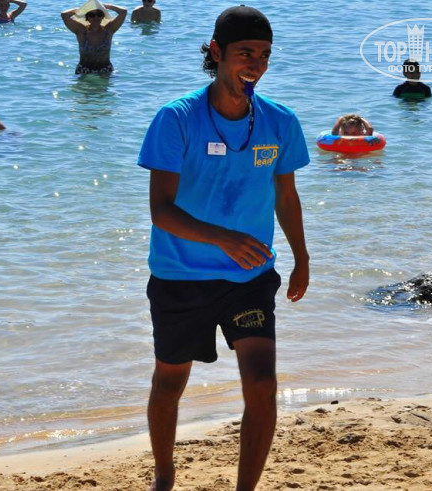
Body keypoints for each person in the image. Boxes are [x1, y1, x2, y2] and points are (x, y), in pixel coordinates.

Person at [137, 6, 310, 490]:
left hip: (248, 279)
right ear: (216, 52)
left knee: (263, 385)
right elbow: (161, 211)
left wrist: (302, 258)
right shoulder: (177, 118)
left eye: (264, 55)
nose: (256, 64)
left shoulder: (280, 122)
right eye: (245, 53)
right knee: (169, 383)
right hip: (180, 276)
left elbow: (286, 196)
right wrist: (225, 238)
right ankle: (164, 475)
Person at [61, 1, 127, 74]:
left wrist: (107, 6)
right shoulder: (81, 31)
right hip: (84, 70)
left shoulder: (109, 30)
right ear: (87, 18)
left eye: (99, 14)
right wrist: (81, 10)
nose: (96, 17)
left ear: (103, 16)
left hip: (105, 70)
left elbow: (123, 11)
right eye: (92, 15)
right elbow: (64, 15)